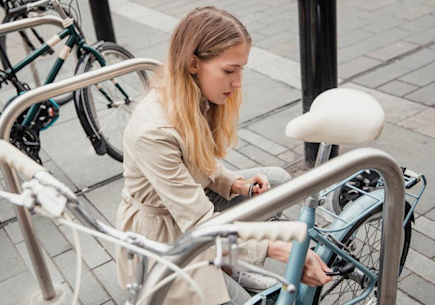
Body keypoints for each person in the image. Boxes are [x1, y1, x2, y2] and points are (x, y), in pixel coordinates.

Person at [116, 6, 331, 305]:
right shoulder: (154, 131)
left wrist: (234, 184)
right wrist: (278, 247)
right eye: (230, 70)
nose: (238, 82)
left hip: (192, 210)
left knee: (277, 183)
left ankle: (226, 265)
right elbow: (200, 224)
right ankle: (223, 269)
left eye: (241, 69)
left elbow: (199, 163)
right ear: (193, 63)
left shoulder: (194, 95)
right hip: (164, 236)